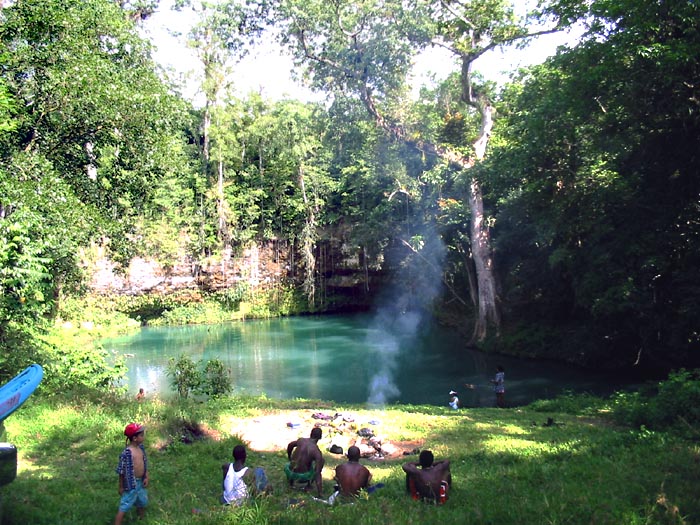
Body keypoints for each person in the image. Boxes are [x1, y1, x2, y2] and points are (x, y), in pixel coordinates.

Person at [115, 423, 149, 525]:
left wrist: (146, 476)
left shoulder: (141, 448)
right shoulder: (127, 453)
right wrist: (121, 486)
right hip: (131, 483)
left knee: (142, 501)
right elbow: (121, 471)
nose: (143, 437)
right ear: (134, 438)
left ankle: (141, 519)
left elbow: (144, 462)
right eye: (141, 435)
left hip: (141, 482)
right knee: (125, 504)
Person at [285, 427, 325, 497]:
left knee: (295, 463)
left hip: (289, 471)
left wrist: (289, 457)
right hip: (302, 477)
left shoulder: (301, 440)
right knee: (321, 461)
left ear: (310, 434)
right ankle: (308, 485)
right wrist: (320, 493)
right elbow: (317, 473)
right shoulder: (316, 451)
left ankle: (291, 483)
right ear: (320, 437)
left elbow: (290, 445)